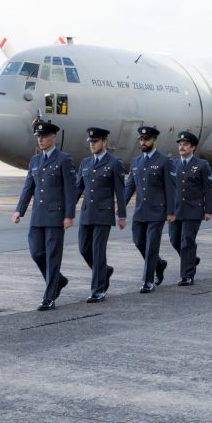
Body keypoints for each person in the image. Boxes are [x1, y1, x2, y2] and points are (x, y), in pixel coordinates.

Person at [12, 119, 76, 311]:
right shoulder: (35, 160)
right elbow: (28, 187)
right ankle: (58, 280)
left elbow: (70, 190)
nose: (40, 140)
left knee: (53, 257)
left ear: (53, 137)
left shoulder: (64, 159)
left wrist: (69, 215)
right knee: (36, 252)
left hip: (56, 216)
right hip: (38, 216)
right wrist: (19, 210)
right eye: (38, 136)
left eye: (44, 136)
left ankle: (49, 297)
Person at [75, 126, 127, 303]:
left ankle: (98, 290)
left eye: (95, 141)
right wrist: (67, 211)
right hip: (86, 214)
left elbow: (120, 191)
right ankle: (104, 271)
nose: (92, 144)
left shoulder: (114, 163)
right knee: (83, 249)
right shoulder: (85, 163)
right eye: (90, 142)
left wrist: (122, 216)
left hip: (103, 214)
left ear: (104, 142)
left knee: (98, 252)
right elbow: (78, 189)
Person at [124, 125, 176, 293]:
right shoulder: (136, 162)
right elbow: (129, 186)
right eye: (141, 139)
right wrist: (121, 206)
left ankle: (148, 281)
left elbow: (170, 188)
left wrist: (170, 211)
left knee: (152, 245)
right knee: (139, 241)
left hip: (157, 211)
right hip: (140, 211)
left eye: (146, 139)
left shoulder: (164, 161)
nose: (143, 142)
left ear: (154, 140)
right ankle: (159, 264)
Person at [167, 131, 212, 286]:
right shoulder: (172, 164)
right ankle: (191, 259)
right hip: (175, 209)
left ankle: (187, 275)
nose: (182, 147)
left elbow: (208, 189)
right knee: (174, 240)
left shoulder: (202, 165)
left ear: (193, 147)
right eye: (180, 144)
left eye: (185, 144)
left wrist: (208, 210)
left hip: (193, 209)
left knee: (187, 240)